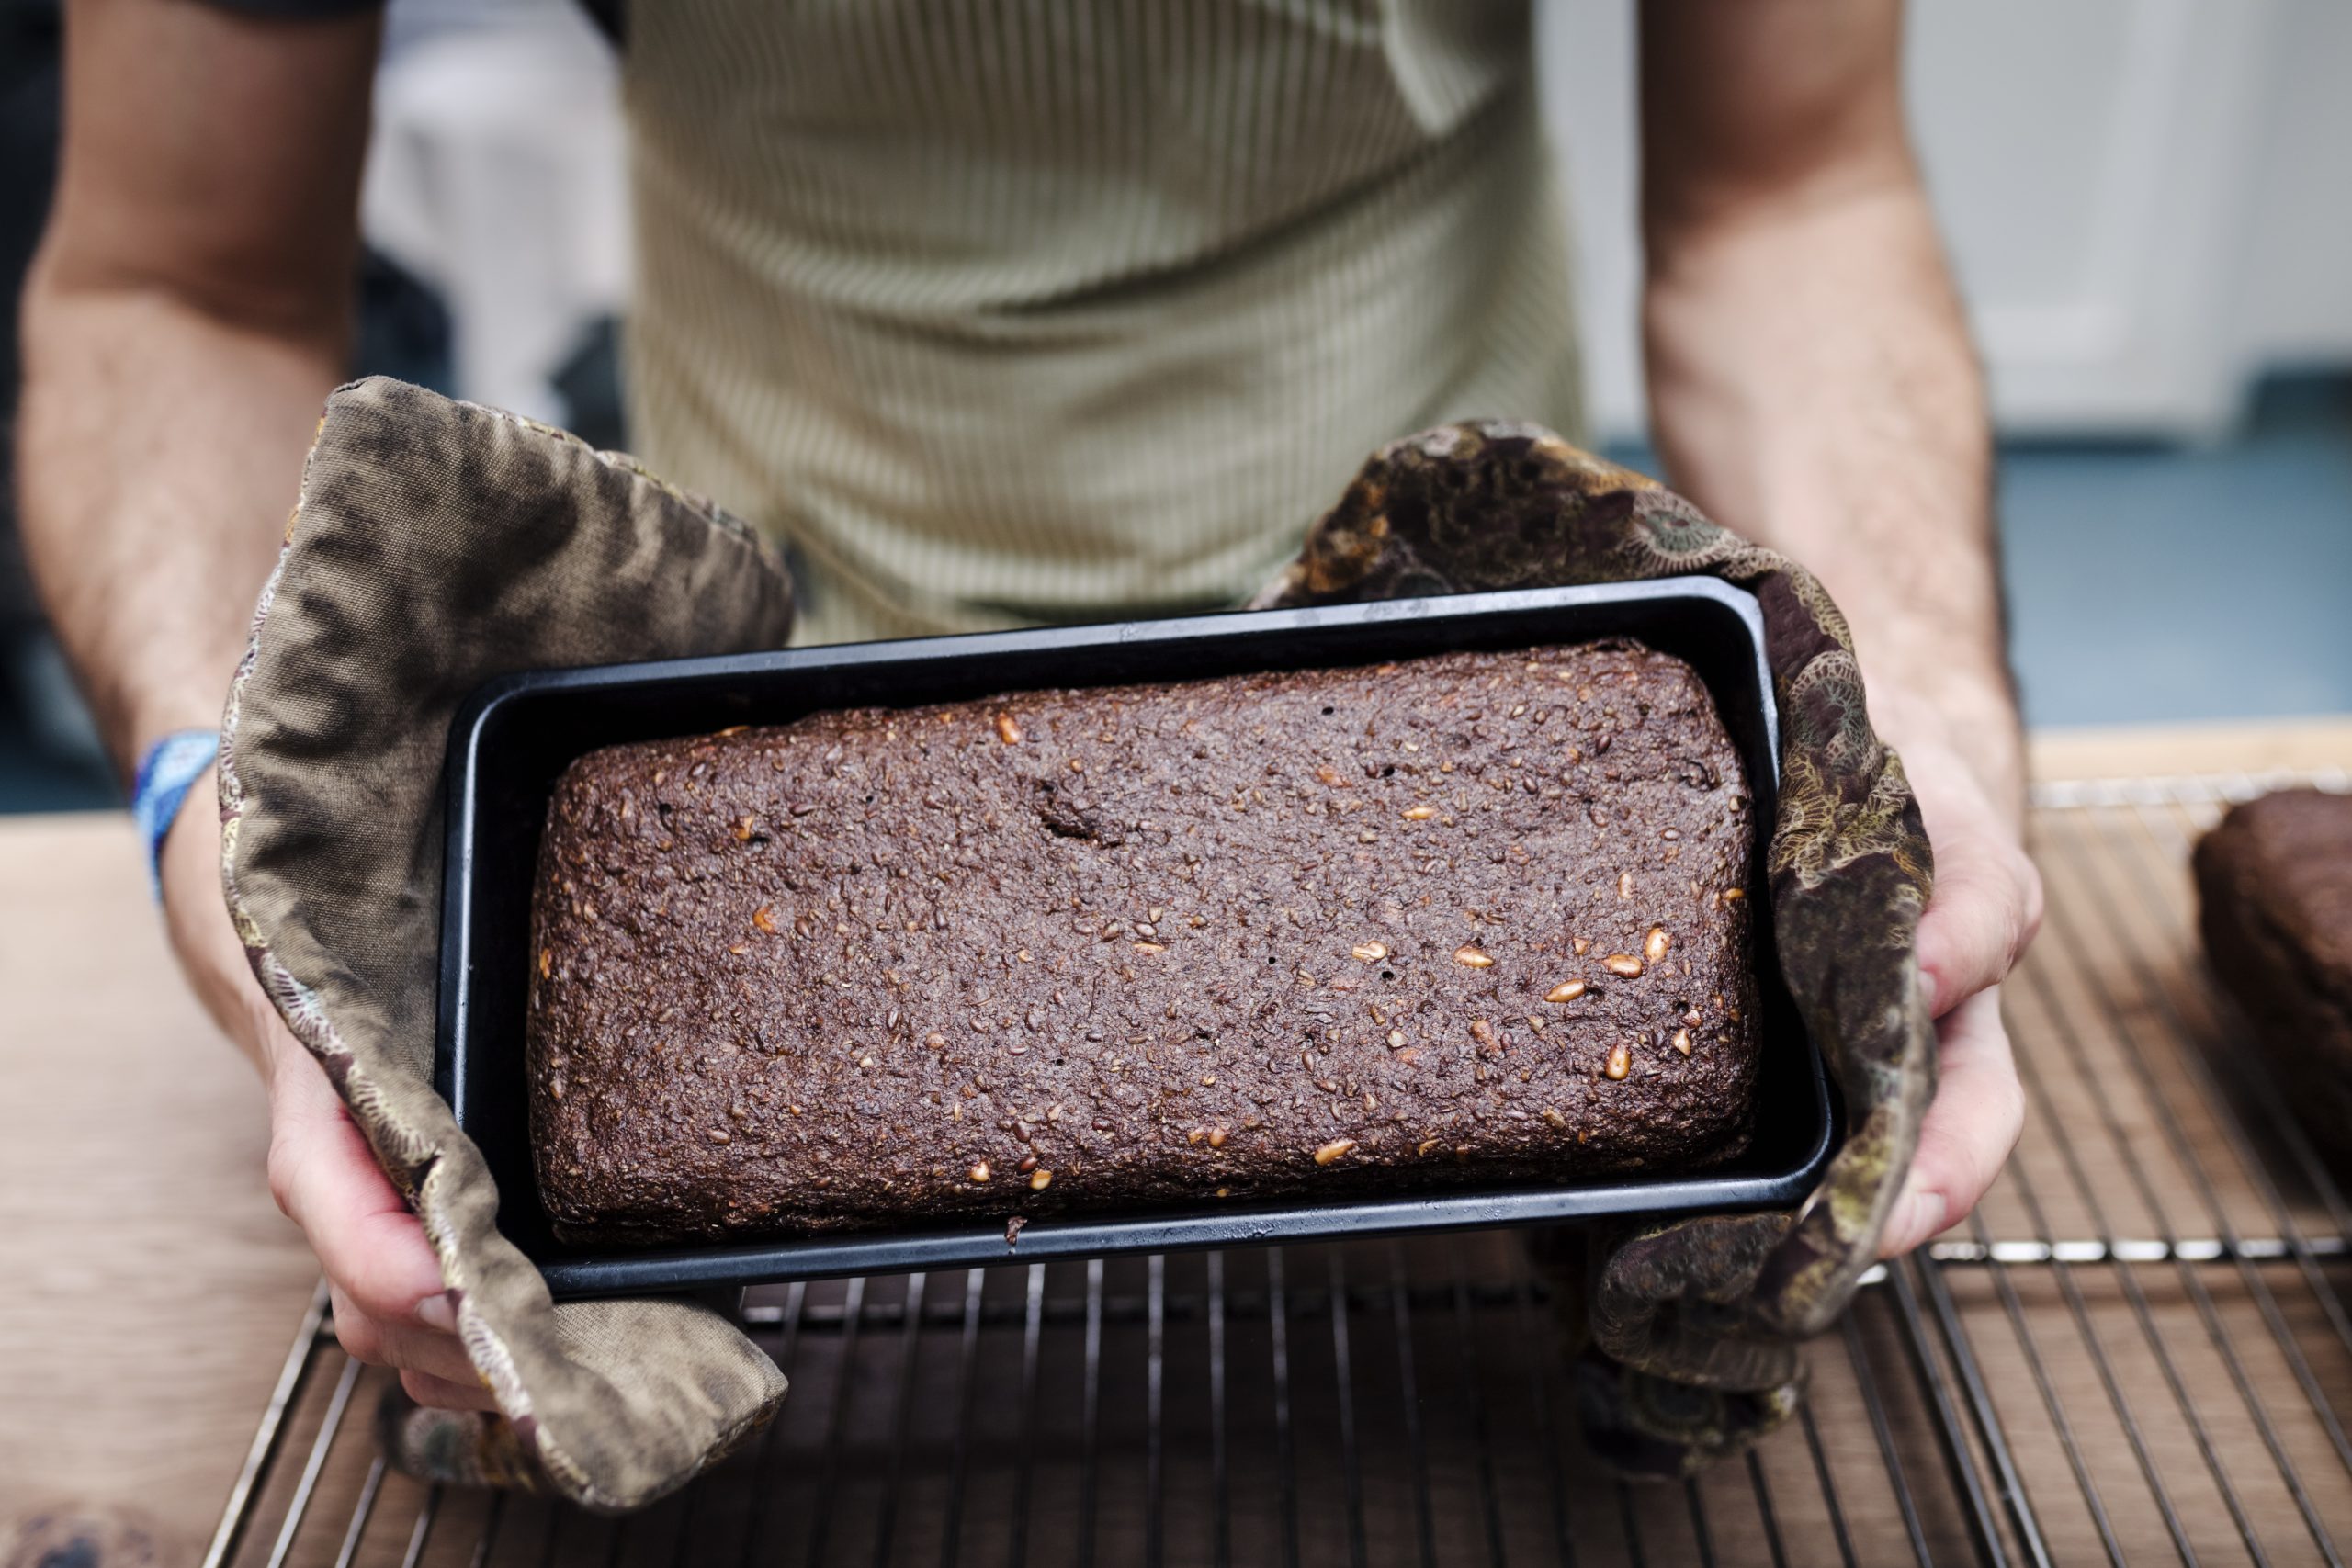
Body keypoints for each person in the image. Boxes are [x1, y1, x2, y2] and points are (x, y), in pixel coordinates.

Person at [17, 0, 2041, 1416]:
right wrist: (242, 830)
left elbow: (1789, 192)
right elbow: (170, 289)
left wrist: (1916, 731)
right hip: (767, 692)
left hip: (1487, 678)